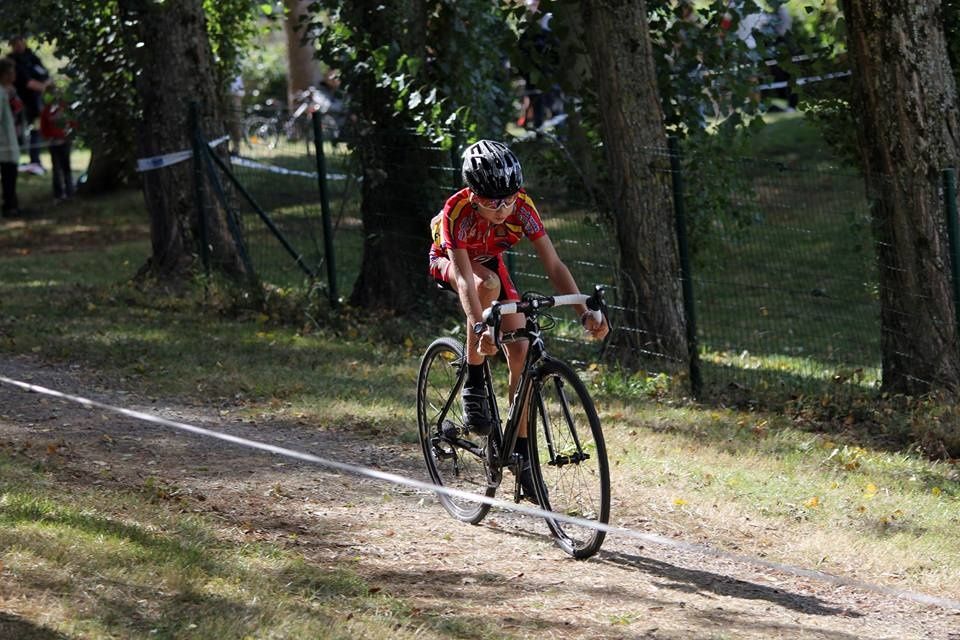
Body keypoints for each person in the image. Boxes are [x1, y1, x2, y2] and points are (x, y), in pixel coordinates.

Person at [428, 140, 609, 496]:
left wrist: (583, 310)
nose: (504, 208)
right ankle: (475, 380)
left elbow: (554, 264)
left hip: (490, 263)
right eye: (494, 202)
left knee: (522, 350)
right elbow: (465, 279)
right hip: (451, 263)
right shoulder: (457, 211)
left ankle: (521, 456)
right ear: (474, 194)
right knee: (487, 285)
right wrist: (480, 326)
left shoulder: (522, 207)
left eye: (509, 198)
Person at [9, 35, 50, 176]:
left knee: (36, 130)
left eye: (20, 43)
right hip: (17, 104)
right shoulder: (11, 61)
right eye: (16, 44)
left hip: (35, 103)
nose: (19, 46)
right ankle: (12, 162)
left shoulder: (32, 57)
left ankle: (35, 161)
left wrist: (46, 85)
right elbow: (27, 83)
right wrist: (44, 87)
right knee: (15, 133)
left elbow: (46, 75)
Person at [39, 82, 76, 201]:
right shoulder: (47, 110)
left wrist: (68, 136)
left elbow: (72, 122)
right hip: (53, 143)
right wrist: (49, 137)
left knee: (66, 168)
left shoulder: (64, 107)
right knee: (56, 169)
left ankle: (70, 192)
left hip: (64, 142)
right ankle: (58, 194)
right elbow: (43, 127)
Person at [0, 58, 21, 217]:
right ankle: (10, 206)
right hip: (4, 143)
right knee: (8, 174)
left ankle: (12, 203)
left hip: (9, 140)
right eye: (11, 71)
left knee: (11, 174)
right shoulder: (0, 93)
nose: (14, 74)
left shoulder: (9, 90)